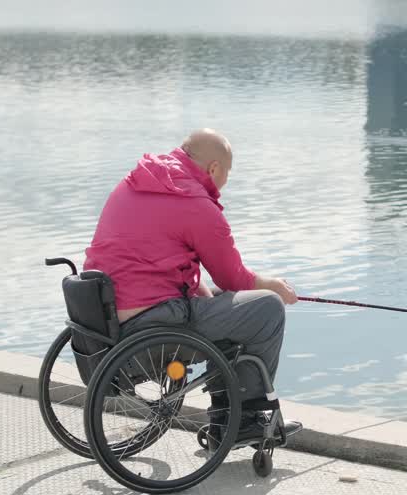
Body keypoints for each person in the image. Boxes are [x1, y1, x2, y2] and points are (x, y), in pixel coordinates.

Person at [82, 128, 301, 443]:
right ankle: (244, 418)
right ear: (214, 168)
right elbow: (234, 278)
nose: (225, 181)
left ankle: (225, 415)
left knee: (226, 301)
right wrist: (274, 286)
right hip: (152, 325)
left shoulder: (138, 180)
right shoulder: (195, 204)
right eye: (227, 173)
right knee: (266, 307)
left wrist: (210, 296)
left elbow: (165, 265)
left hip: (109, 319)